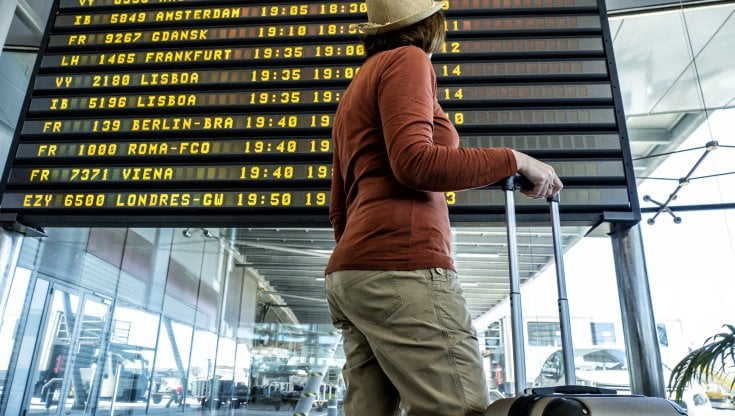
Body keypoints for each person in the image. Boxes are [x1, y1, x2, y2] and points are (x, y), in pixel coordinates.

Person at [324, 0, 563, 414]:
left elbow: (340, 205)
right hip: (402, 266)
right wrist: (515, 159)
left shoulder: (358, 86)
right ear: (433, 24)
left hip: (354, 273)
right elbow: (416, 162)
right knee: (457, 409)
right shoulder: (408, 59)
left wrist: (361, 261)